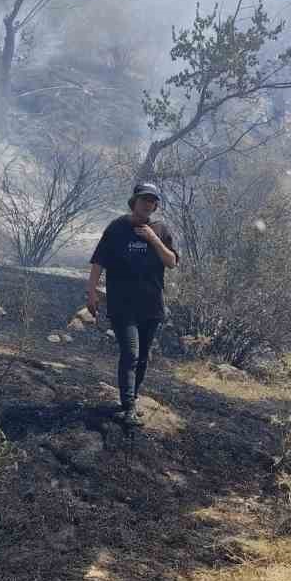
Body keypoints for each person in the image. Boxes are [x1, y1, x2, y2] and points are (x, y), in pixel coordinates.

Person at [86, 182, 178, 427]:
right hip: (122, 303)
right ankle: (127, 406)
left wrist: (153, 239)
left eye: (152, 201)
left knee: (143, 357)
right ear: (134, 201)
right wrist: (92, 292)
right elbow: (98, 261)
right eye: (144, 199)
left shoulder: (161, 229)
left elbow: (171, 262)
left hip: (151, 306)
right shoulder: (117, 228)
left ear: (156, 205)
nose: (148, 204)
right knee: (131, 353)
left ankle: (132, 400)